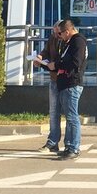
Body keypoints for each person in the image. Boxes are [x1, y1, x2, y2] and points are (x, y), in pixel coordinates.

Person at [55, 18, 87, 159]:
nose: (59, 36)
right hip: (65, 83)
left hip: (72, 83)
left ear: (67, 31)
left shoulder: (78, 41)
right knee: (69, 117)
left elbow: (75, 63)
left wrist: (58, 65)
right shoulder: (69, 42)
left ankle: (74, 147)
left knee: (72, 117)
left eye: (60, 33)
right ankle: (69, 146)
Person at [32, 20, 64, 153]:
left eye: (58, 33)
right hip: (54, 79)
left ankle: (71, 145)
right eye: (54, 32)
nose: (56, 35)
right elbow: (46, 51)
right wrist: (39, 57)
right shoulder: (53, 38)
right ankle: (52, 142)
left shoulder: (70, 40)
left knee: (70, 114)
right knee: (53, 111)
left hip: (67, 81)